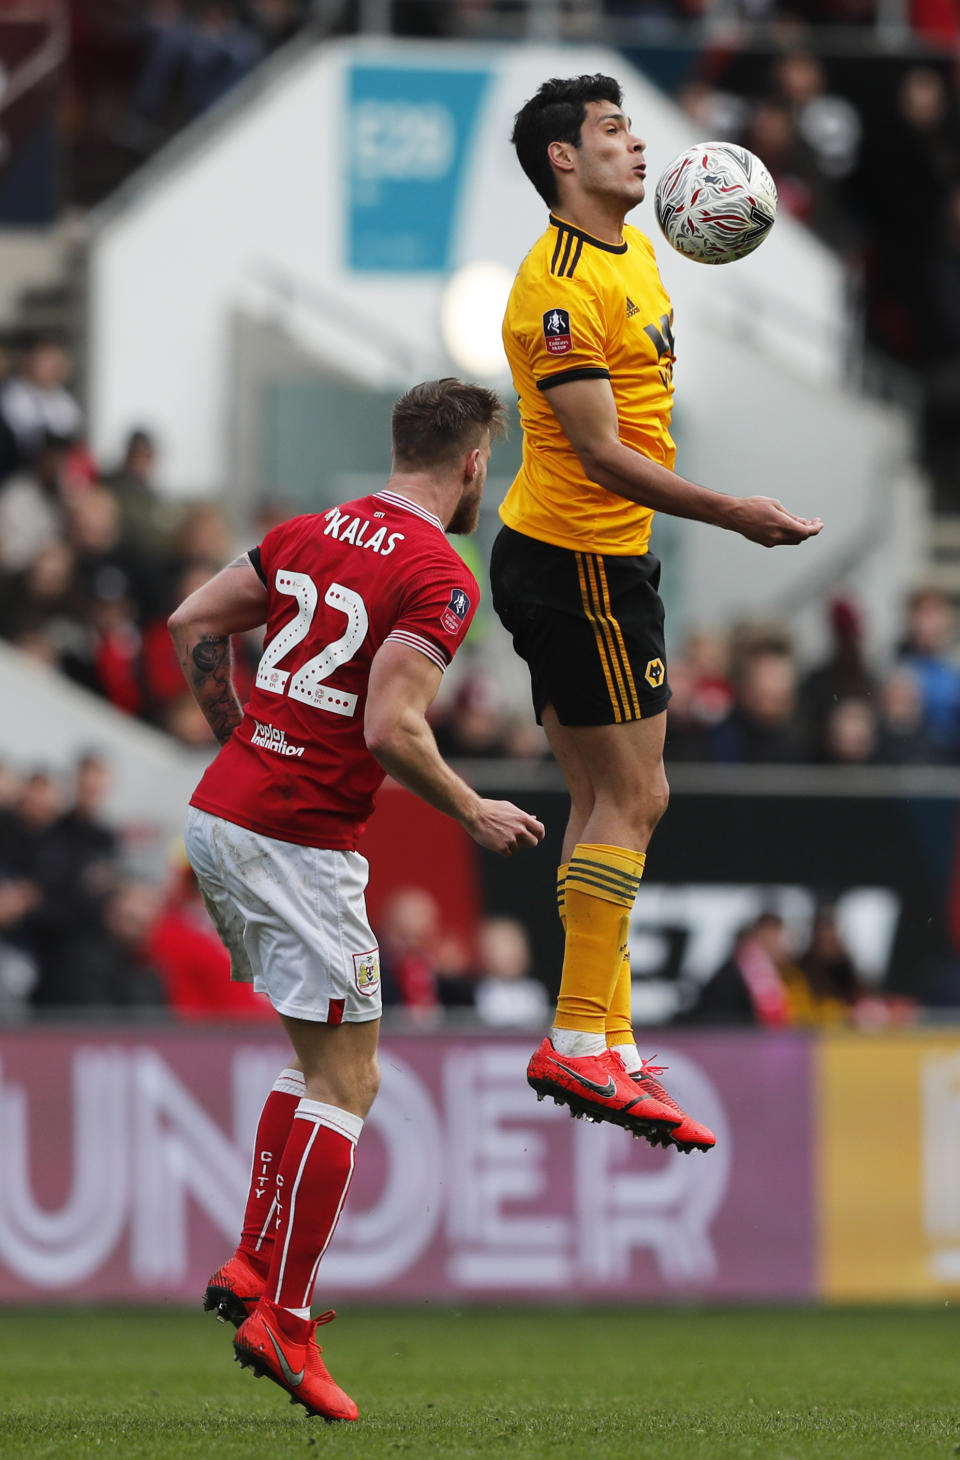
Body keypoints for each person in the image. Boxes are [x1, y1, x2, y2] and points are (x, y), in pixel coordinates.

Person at [168, 379, 544, 1422]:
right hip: (297, 836)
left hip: (224, 812)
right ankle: (284, 1319)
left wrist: (242, 740)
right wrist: (470, 806)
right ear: (473, 465)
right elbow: (391, 726)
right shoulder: (439, 570)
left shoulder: (308, 529)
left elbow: (194, 619)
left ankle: (253, 1262)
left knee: (314, 1059)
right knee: (354, 1077)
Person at [491, 73, 823, 1153]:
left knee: (607, 796)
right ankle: (580, 1035)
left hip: (598, 561)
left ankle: (607, 1033)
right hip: (579, 558)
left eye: (632, 127)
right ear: (562, 162)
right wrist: (734, 512)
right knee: (637, 795)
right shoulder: (557, 282)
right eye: (611, 130)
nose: (638, 145)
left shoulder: (637, 250)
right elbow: (598, 451)